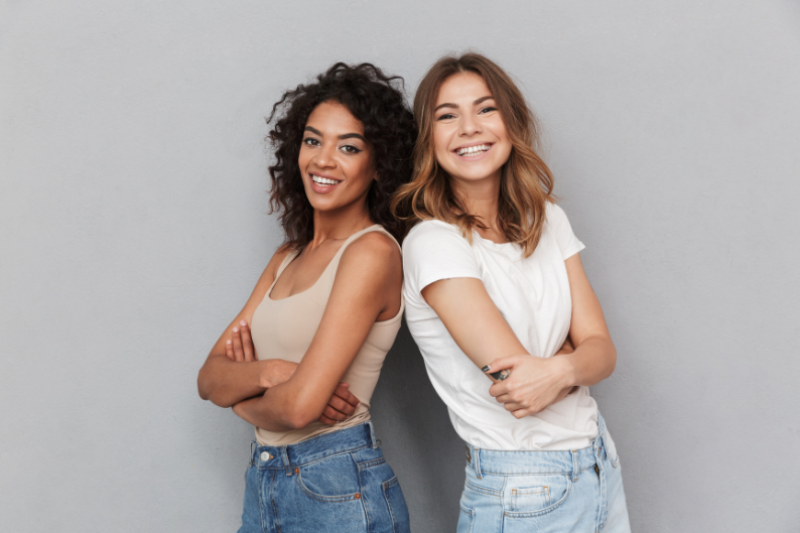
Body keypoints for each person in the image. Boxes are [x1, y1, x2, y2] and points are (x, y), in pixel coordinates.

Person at [393, 53, 631, 532]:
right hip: (522, 487)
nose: (468, 128)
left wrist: (560, 366)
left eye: (485, 109)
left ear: (510, 121)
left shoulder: (547, 219)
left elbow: (603, 354)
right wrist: (570, 359)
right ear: (429, 138)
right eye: (446, 115)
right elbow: (520, 387)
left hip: (598, 462)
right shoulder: (433, 244)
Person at [197, 62, 416, 533]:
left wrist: (241, 401)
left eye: (349, 147)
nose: (323, 160)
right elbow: (209, 377)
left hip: (337, 484)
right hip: (265, 480)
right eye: (313, 140)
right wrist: (272, 373)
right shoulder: (286, 257)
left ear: (379, 165)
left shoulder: (372, 253)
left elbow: (297, 409)